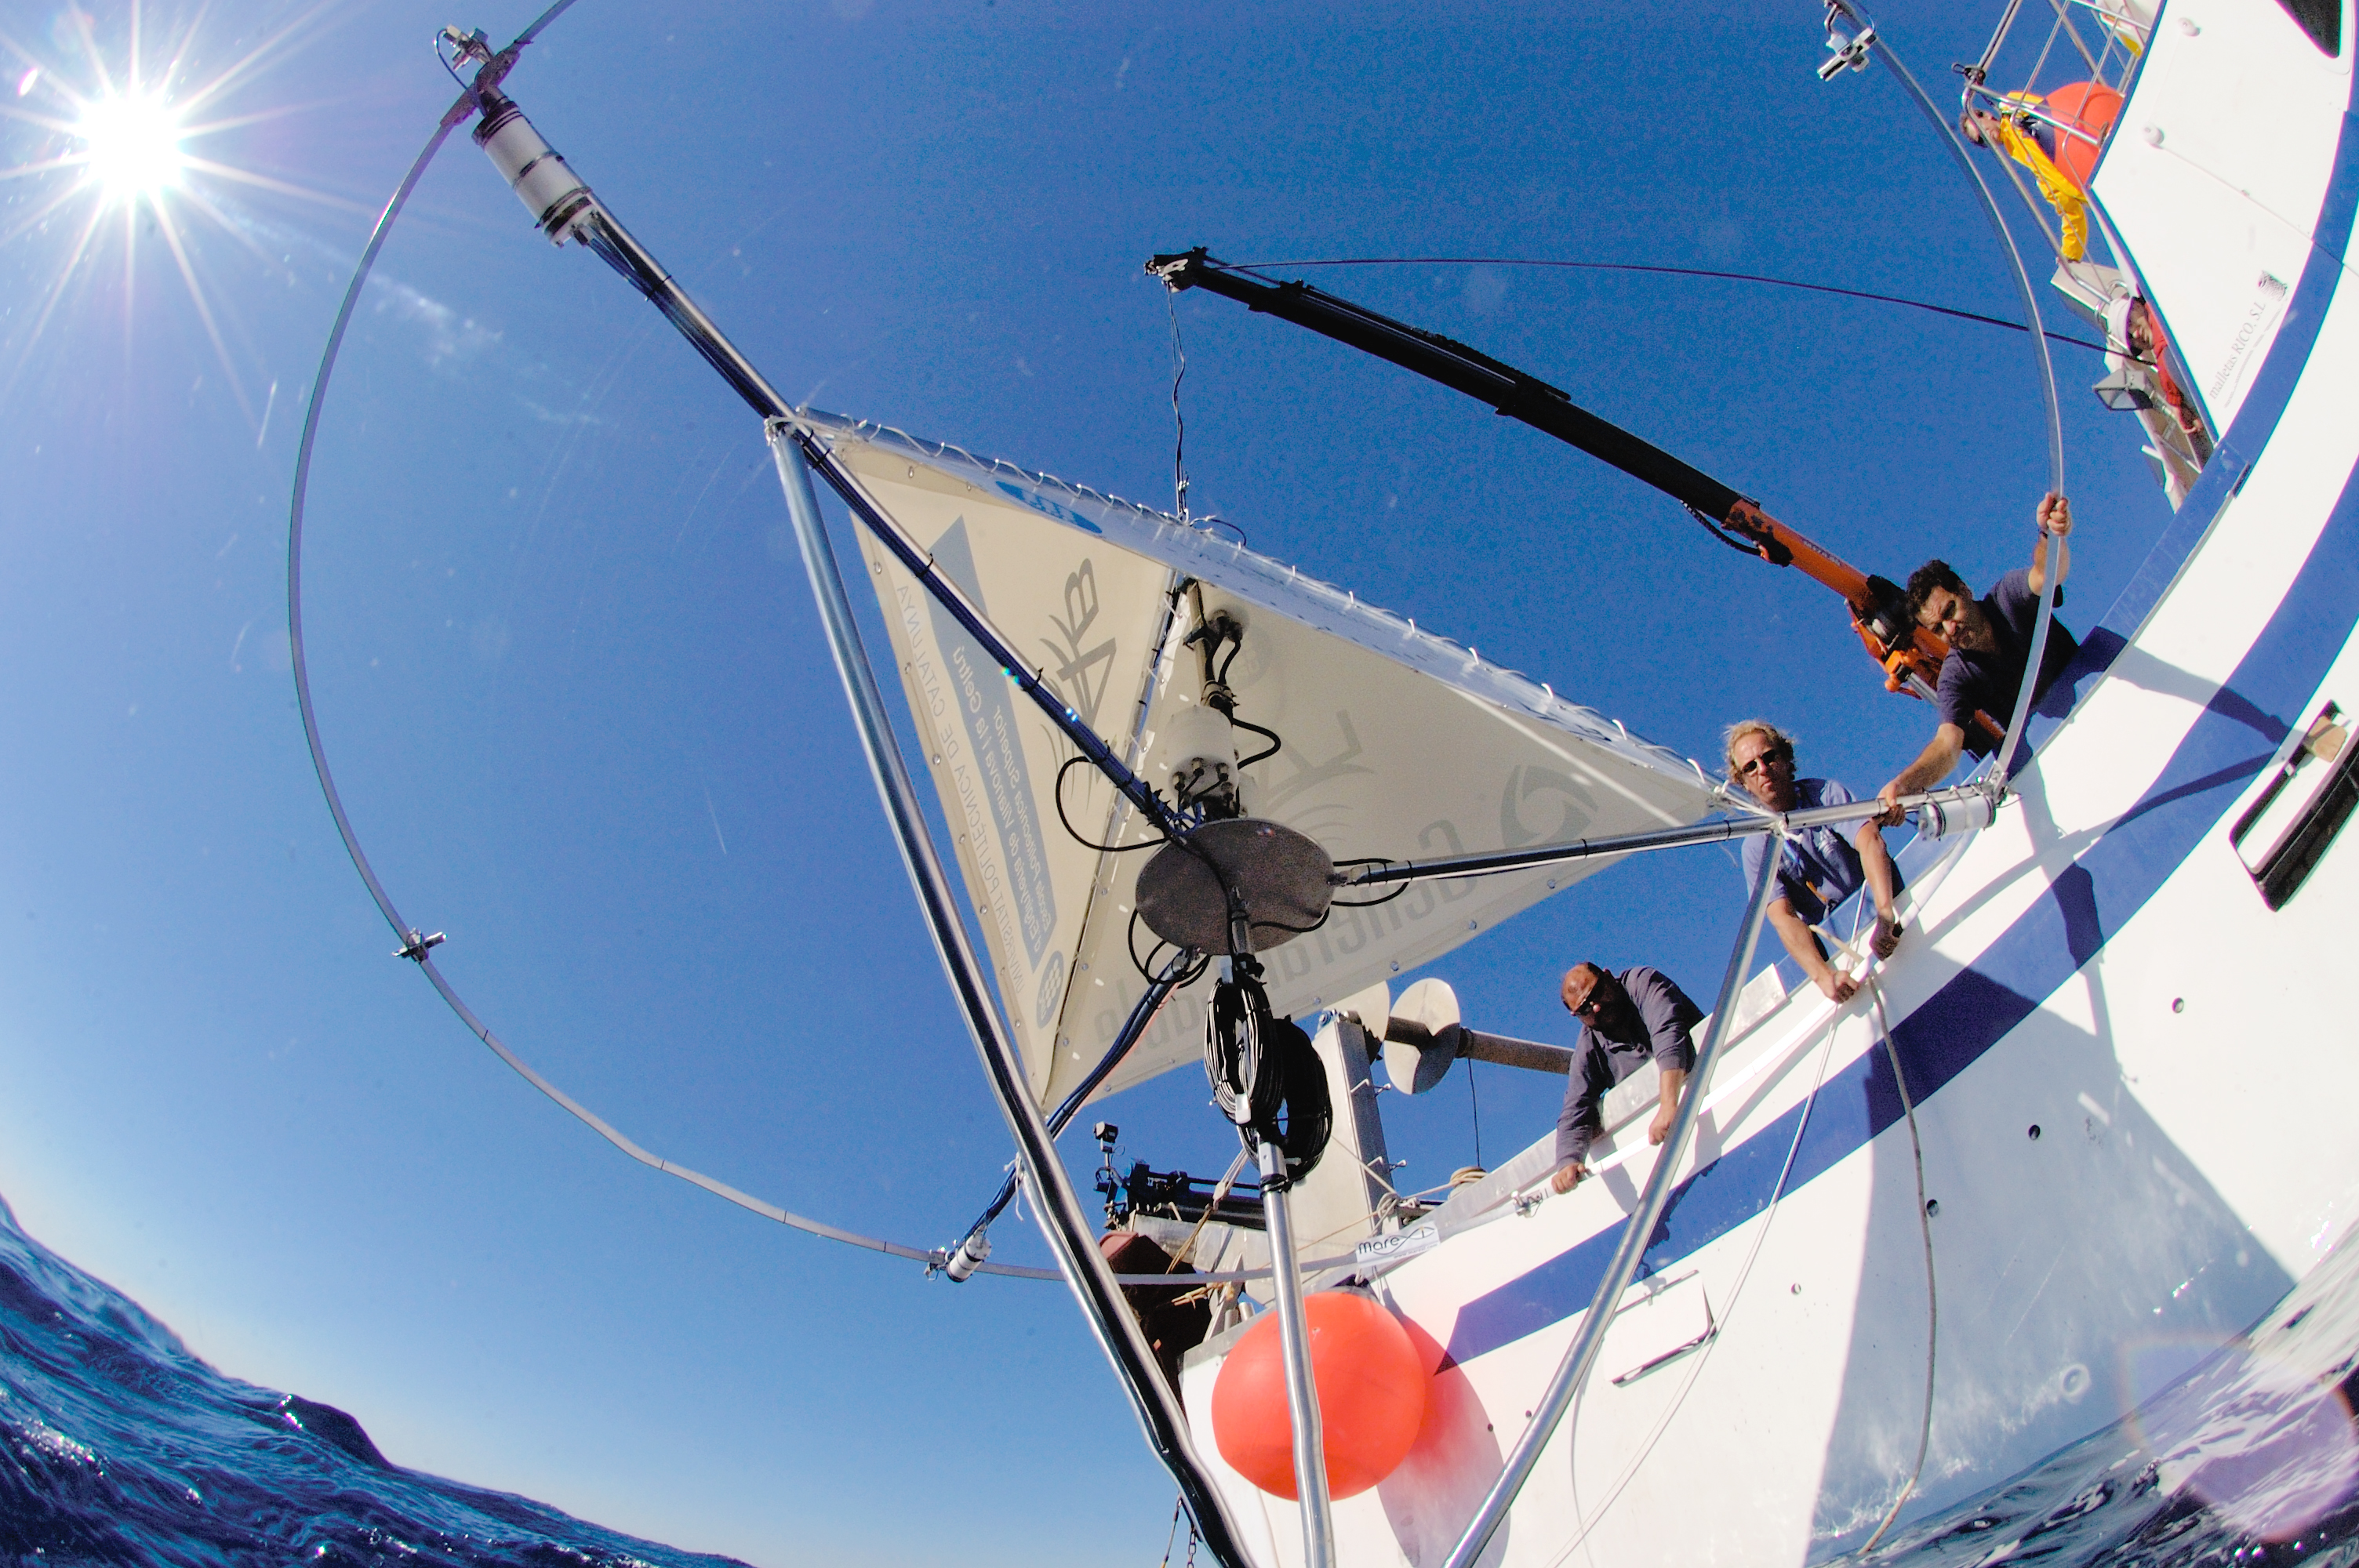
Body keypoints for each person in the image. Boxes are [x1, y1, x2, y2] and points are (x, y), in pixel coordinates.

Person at [1879, 494, 2081, 815]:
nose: (1951, 628)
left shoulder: (2008, 597)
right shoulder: (1955, 677)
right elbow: (1947, 745)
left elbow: (2046, 573)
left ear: (1964, 589)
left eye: (1950, 611)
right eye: (1938, 629)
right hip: (2058, 749)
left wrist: (2049, 534)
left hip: (2097, 687)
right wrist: (1904, 785)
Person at [1726, 720, 1904, 1005]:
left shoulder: (1823, 794)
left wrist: (1885, 914)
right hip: (1839, 948)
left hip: (1887, 913)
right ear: (1743, 781)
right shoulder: (1757, 846)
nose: (1762, 769)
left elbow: (1869, 840)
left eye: (1769, 757)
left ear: (1785, 759)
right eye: (1750, 767)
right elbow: (1781, 916)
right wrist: (1824, 977)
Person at [1550, 964, 1703, 1194]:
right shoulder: (1590, 1047)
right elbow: (1576, 1106)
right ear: (1577, 1017)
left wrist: (1669, 1104)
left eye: (1597, 993)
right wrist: (1567, 1162)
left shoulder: (1642, 983)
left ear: (1609, 977)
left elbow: (1668, 1032)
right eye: (1585, 1010)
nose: (1597, 1007)